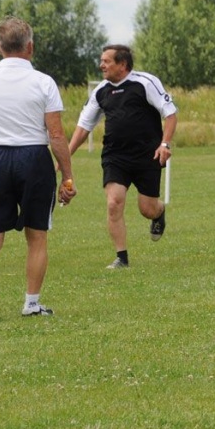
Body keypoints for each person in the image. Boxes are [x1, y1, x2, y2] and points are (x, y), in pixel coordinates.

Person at [0, 17, 77, 320]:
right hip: (33, 158)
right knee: (37, 235)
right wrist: (67, 176)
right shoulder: (43, 82)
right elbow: (55, 134)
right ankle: (31, 303)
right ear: (31, 46)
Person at [68, 44, 177, 269]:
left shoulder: (145, 83)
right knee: (113, 203)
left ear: (122, 64)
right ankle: (122, 258)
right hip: (115, 156)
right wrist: (65, 156)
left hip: (148, 155)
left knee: (147, 209)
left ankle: (159, 212)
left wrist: (164, 143)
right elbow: (83, 127)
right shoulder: (100, 91)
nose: (101, 65)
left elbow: (170, 114)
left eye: (106, 61)